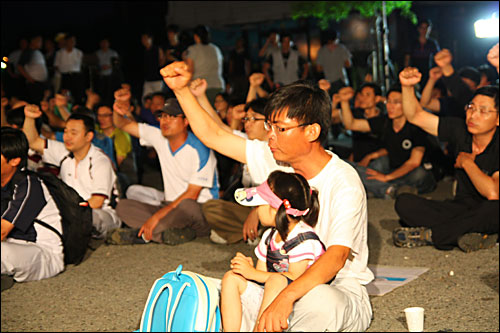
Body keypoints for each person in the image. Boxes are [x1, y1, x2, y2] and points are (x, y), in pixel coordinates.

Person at [160, 61, 373, 332]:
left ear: (312, 131)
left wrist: (286, 296)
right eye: (269, 127)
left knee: (322, 302)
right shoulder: (275, 160)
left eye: (280, 129)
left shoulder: (343, 181)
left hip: (335, 289)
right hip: (276, 284)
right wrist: (181, 91)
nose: (270, 137)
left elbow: (336, 257)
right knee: (204, 289)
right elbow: (214, 136)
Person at [393, 67, 498, 252]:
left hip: (488, 208)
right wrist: (407, 87)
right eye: (471, 107)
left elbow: (493, 193)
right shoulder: (459, 129)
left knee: (494, 210)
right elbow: (416, 116)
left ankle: (432, 235)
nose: (473, 115)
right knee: (404, 203)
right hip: (461, 208)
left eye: (483, 111)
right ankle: (470, 233)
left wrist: (467, 162)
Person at [108, 89, 219, 245]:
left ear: (186, 121)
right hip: (170, 205)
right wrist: (118, 107)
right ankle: (169, 233)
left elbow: (192, 195)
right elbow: (122, 124)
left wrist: (156, 217)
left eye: (172, 116)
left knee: (186, 206)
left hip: (198, 209)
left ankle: (142, 235)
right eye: (162, 116)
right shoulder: (159, 136)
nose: (165, 121)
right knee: (123, 206)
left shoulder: (200, 148)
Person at [220, 171, 325, 332]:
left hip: (297, 306)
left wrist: (253, 274)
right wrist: (249, 271)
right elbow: (261, 275)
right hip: (270, 300)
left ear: (275, 210)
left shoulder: (304, 239)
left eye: (259, 205)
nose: (256, 210)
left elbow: (295, 279)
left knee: (278, 280)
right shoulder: (269, 236)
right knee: (231, 278)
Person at [22, 104, 121, 239]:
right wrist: (29, 118)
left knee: (90, 217)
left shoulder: (100, 161)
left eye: (73, 133)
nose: (67, 137)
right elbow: (33, 142)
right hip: (72, 211)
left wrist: (66, 213)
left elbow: (97, 201)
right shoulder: (64, 152)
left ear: (89, 136)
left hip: (101, 214)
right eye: (66, 131)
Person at [339, 84, 437, 199]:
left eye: (396, 102)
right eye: (388, 102)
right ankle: (390, 189)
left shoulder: (416, 127)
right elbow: (352, 124)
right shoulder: (385, 121)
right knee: (348, 166)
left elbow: (413, 162)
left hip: (413, 173)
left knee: (419, 174)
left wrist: (386, 178)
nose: (390, 106)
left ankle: (377, 187)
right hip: (391, 168)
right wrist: (344, 102)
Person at [1, 127, 64, 285]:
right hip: (11, 244)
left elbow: (1, 231)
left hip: (42, 253)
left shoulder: (29, 184)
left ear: (14, 160)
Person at [185, 25, 225, 105]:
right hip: (218, 85)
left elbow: (190, 71)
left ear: (195, 36)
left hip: (200, 87)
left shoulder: (192, 49)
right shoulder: (215, 48)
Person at [404, 18, 440, 90]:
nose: (424, 30)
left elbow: (438, 58)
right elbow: (407, 59)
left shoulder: (432, 43)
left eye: (426, 28)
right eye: (422, 28)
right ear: (418, 29)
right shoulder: (413, 43)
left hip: (428, 73)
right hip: (415, 72)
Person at [315, 29, 352, 94]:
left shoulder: (321, 51)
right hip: (341, 80)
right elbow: (348, 64)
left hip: (328, 82)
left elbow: (318, 69)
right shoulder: (342, 48)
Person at [17, 35, 48, 104]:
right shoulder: (29, 52)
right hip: (34, 84)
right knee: (35, 103)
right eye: (39, 41)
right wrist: (29, 79)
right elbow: (19, 66)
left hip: (40, 83)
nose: (41, 43)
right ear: (33, 41)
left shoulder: (38, 52)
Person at [54, 35, 84, 105]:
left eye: (73, 41)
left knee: (77, 95)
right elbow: (56, 65)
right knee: (65, 95)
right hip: (65, 76)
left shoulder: (79, 53)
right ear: (66, 42)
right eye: (69, 41)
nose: (71, 43)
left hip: (76, 76)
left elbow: (81, 66)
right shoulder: (60, 53)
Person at [140, 32, 166, 103]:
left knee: (158, 100)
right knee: (146, 100)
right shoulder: (143, 51)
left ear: (150, 39)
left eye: (145, 38)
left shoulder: (157, 49)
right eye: (142, 39)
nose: (143, 40)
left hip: (157, 80)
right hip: (148, 80)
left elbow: (162, 62)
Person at [95, 38, 119, 105]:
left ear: (108, 44)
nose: (104, 44)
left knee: (110, 93)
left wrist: (109, 66)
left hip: (110, 76)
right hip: (100, 76)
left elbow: (116, 64)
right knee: (101, 93)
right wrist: (100, 67)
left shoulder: (113, 53)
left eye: (106, 43)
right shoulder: (97, 53)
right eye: (103, 43)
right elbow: (94, 64)